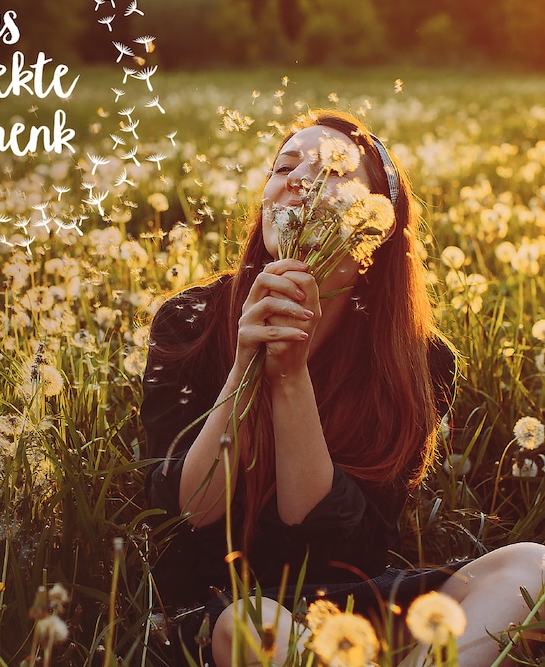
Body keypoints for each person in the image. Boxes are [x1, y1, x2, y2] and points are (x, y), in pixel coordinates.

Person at [140, 109, 545, 667]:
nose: (300, 178)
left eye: (332, 171)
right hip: (221, 609)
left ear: (379, 221)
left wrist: (291, 378)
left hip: (349, 604)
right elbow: (188, 513)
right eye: (284, 166)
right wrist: (246, 368)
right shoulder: (192, 320)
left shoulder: (418, 359)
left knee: (531, 567)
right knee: (255, 625)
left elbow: (343, 551)